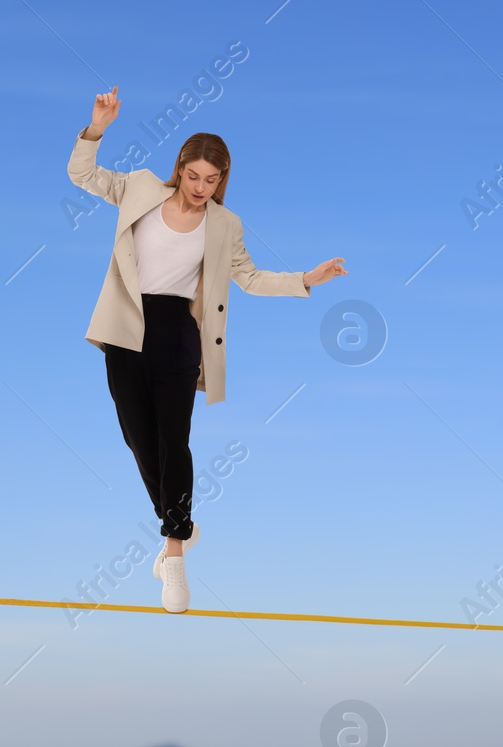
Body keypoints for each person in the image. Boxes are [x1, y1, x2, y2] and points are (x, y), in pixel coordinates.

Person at [68, 85, 348, 613]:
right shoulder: (140, 189)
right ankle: (184, 523)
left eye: (211, 180)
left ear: (222, 180)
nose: (200, 187)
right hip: (126, 324)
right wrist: (98, 127)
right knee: (137, 438)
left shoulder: (224, 225)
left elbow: (247, 276)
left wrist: (305, 279)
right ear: (180, 168)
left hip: (178, 330)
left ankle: (174, 555)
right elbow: (82, 176)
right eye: (194, 176)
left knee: (175, 439)